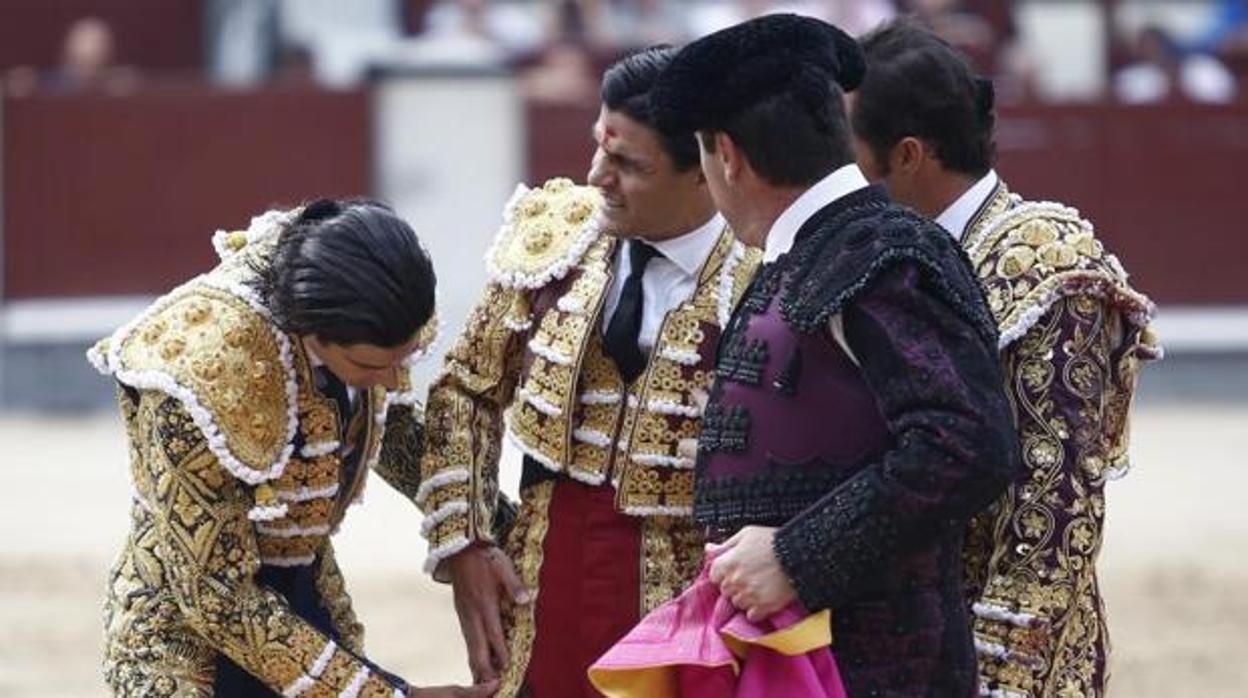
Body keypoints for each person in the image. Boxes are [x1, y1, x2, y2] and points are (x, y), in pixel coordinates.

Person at [646, 13, 1022, 696]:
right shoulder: (820, 253)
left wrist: (796, 554)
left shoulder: (879, 252)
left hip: (875, 669)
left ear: (725, 155)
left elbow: (966, 442)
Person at [417, 47, 761, 698]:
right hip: (547, 565)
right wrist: (464, 542)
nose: (597, 176)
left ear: (708, 169)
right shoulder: (554, 235)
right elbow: (467, 387)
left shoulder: (763, 269)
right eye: (600, 148)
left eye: (629, 164)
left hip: (698, 584)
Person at [850, 19, 1161, 696]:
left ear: (907, 155)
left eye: (849, 145)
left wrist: (1003, 674)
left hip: (1001, 647)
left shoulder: (1043, 267)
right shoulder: (886, 251)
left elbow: (1054, 506)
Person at [91, 200, 490, 697]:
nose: (391, 380)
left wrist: (474, 537)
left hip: (300, 585)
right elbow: (217, 598)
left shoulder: (368, 298)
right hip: (183, 634)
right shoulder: (199, 375)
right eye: (368, 367)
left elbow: (401, 432)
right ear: (310, 331)